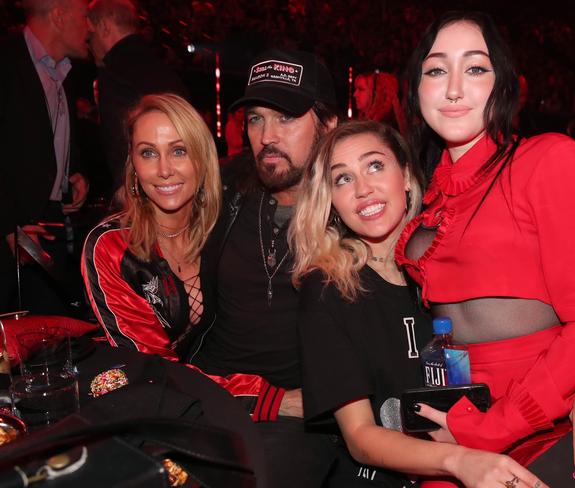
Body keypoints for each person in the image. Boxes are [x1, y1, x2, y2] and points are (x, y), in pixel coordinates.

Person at [394, 11, 575, 483]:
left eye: (476, 68)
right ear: (416, 89)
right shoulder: (425, 193)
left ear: (505, 85)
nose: (454, 88)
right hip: (457, 410)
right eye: (437, 70)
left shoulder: (549, 159)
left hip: (548, 414)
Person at [291, 120, 549, 487]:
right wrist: (461, 461)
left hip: (487, 459)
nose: (363, 189)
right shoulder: (328, 289)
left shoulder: (450, 263)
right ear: (330, 202)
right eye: (342, 179)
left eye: (375, 166)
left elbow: (539, 334)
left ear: (407, 177)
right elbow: (360, 437)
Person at [189, 48, 339, 487]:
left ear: (328, 126)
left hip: (298, 413)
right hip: (206, 394)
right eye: (256, 119)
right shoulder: (224, 196)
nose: (267, 136)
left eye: (285, 118)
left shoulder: (353, 214)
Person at [82, 93, 220, 361]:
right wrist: (266, 398)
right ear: (134, 166)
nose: (164, 169)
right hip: (138, 390)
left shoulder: (218, 228)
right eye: (148, 153)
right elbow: (151, 366)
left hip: (203, 386)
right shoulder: (113, 247)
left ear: (203, 159)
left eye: (179, 151)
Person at [0, 0, 90, 315]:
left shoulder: (63, 72)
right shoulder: (7, 62)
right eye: (85, 16)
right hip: (10, 231)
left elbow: (43, 138)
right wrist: (8, 223)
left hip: (46, 225)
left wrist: (73, 171)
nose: (89, 27)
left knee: (49, 335)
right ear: (58, 15)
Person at [87, 0, 188, 195]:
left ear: (104, 27)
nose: (89, 45)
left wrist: (124, 194)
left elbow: (119, 149)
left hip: (142, 197)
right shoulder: (165, 71)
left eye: (90, 36)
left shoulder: (113, 73)